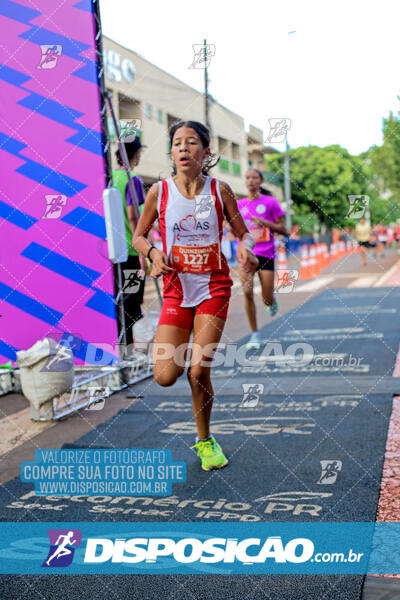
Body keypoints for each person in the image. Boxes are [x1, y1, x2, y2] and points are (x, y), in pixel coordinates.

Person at [133, 120, 258, 471]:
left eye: (191, 143)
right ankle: (181, 337)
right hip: (175, 291)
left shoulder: (221, 191)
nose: (184, 148)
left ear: (206, 152)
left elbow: (242, 233)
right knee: (164, 376)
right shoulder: (159, 192)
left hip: (213, 288)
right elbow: (138, 237)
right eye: (177, 143)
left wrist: (246, 249)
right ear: (172, 153)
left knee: (198, 372)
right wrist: (154, 254)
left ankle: (205, 442)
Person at [237, 169, 289, 350]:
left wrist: (265, 223)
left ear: (261, 181)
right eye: (248, 177)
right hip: (246, 255)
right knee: (247, 292)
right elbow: (234, 228)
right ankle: (254, 335)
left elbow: (284, 229)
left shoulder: (270, 202)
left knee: (266, 298)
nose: (251, 181)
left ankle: (271, 301)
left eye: (254, 178)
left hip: (266, 254)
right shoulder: (239, 204)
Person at [112, 136, 147, 349]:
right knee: (132, 302)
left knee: (119, 303)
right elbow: (133, 216)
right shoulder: (132, 179)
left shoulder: (108, 177)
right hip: (131, 253)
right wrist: (142, 250)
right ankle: (128, 351)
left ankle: (120, 349)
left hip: (112, 252)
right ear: (136, 153)